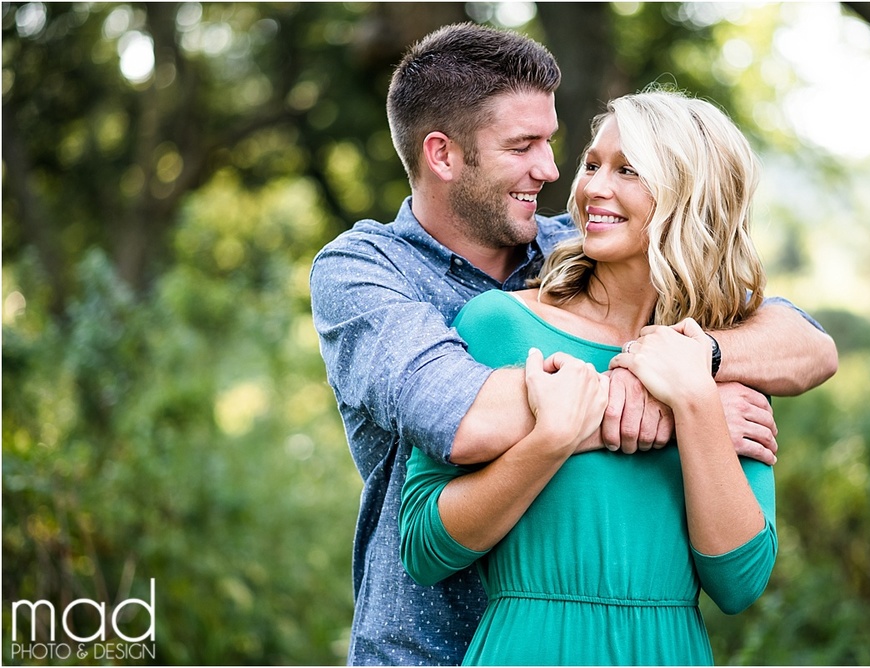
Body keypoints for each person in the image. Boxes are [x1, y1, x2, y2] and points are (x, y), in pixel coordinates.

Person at [309, 23, 837, 666]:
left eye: (556, 145)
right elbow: (462, 414)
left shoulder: (578, 245)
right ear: (443, 155)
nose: (555, 171)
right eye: (523, 145)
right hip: (426, 647)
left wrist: (695, 372)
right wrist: (667, 408)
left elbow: (808, 345)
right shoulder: (366, 271)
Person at [399, 86, 792, 666]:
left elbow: (739, 582)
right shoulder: (501, 324)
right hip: (527, 648)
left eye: (628, 170)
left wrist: (694, 405)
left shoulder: (718, 358)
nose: (591, 188)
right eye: (591, 165)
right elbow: (423, 548)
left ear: (691, 195)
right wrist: (550, 440)